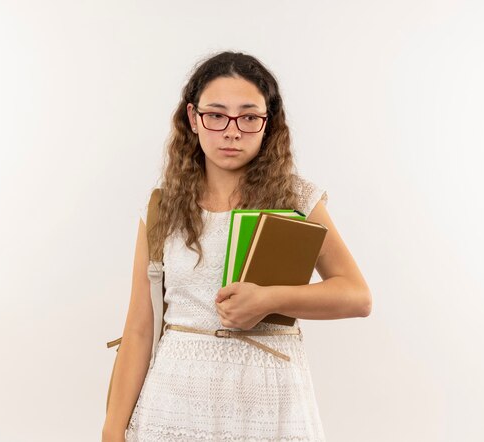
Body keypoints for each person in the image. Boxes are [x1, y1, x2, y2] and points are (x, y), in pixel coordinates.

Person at [102, 50, 372, 442]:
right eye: (216, 115)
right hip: (175, 401)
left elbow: (356, 296)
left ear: (268, 123)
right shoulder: (162, 207)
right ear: (193, 119)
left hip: (270, 398)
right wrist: (113, 430)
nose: (232, 130)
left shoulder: (295, 198)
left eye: (248, 117)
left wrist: (268, 299)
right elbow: (139, 329)